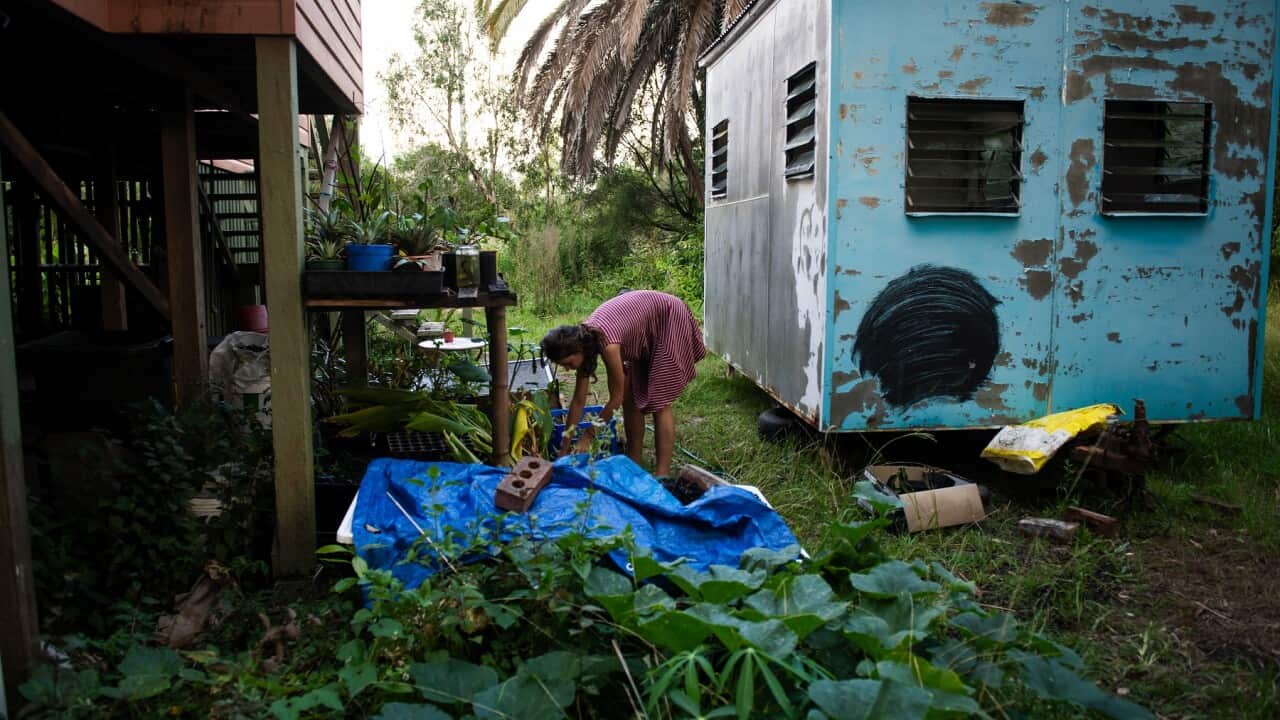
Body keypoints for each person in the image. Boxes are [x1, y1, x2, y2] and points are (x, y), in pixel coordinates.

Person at [540, 290, 706, 477]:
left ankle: (662, 475)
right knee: (631, 397)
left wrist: (588, 436)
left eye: (568, 363)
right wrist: (564, 449)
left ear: (577, 349)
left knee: (659, 402)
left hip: (668, 318)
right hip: (643, 325)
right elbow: (578, 401)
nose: (569, 369)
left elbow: (615, 400)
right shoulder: (584, 342)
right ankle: (634, 463)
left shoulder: (608, 345)